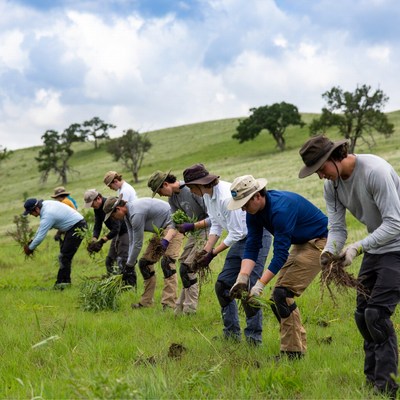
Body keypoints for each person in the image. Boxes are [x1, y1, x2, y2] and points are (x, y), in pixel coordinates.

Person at [299, 134, 400, 398]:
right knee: (362, 316)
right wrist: (329, 252)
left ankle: (387, 387)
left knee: (377, 316)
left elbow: (394, 223)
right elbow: (337, 227)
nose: (321, 176)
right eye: (317, 172)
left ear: (336, 156)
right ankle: (371, 382)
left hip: (397, 247)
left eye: (322, 169)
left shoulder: (375, 172)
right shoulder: (331, 186)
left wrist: (357, 248)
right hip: (376, 248)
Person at [228, 175, 328, 359]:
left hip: (319, 242)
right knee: (278, 297)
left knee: (283, 294)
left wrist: (259, 285)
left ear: (257, 196)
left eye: (245, 203)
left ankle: (293, 353)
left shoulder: (281, 209)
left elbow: (280, 254)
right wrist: (242, 278)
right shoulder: (254, 213)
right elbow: (252, 245)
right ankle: (294, 350)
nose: (242, 208)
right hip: (300, 243)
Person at [182, 163, 272, 345]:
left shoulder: (224, 197)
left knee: (247, 289)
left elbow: (237, 232)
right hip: (239, 239)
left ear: (201, 184)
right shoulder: (208, 196)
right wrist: (205, 251)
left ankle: (254, 339)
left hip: (256, 237)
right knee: (222, 286)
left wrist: (213, 253)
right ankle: (231, 334)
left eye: (192, 188)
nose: (191, 192)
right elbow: (216, 224)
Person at [103, 194, 183, 310]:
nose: (113, 219)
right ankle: (146, 302)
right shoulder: (127, 216)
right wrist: (128, 264)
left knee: (167, 263)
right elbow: (131, 240)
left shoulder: (136, 213)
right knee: (145, 263)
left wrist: (129, 265)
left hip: (174, 226)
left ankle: (169, 304)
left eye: (113, 215)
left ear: (118, 208)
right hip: (161, 230)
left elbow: (138, 243)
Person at [148, 169, 209, 315]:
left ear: (166, 184)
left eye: (159, 191)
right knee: (183, 267)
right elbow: (174, 223)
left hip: (207, 230)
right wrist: (165, 242)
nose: (161, 195)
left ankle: (190, 310)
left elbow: (213, 216)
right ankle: (179, 309)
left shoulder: (191, 189)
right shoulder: (172, 199)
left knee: (190, 267)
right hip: (194, 232)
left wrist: (193, 225)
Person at [22, 198, 87, 288]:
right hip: (74, 226)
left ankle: (61, 284)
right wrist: (32, 240)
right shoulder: (45, 205)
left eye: (31, 213)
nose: (31, 215)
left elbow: (41, 236)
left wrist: (30, 248)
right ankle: (65, 283)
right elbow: (40, 229)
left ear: (36, 209)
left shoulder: (48, 215)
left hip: (77, 227)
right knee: (64, 256)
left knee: (64, 256)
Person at [83, 189, 136, 286]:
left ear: (98, 198)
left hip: (125, 231)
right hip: (116, 233)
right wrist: (94, 239)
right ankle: (113, 283)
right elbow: (97, 225)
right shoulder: (97, 209)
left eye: (92, 204)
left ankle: (129, 285)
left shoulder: (109, 205)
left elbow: (117, 228)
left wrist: (102, 241)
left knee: (122, 259)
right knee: (109, 260)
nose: (91, 206)